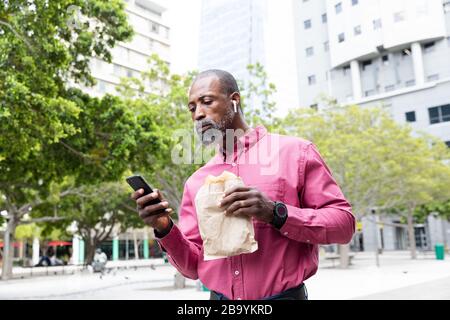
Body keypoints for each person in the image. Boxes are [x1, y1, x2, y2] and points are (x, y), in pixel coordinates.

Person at [131, 70, 356, 300]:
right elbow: (192, 266)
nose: (198, 114)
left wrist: (275, 213)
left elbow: (344, 225)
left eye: (206, 102)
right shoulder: (196, 182)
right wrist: (164, 228)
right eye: (192, 108)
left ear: (234, 100)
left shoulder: (296, 153)